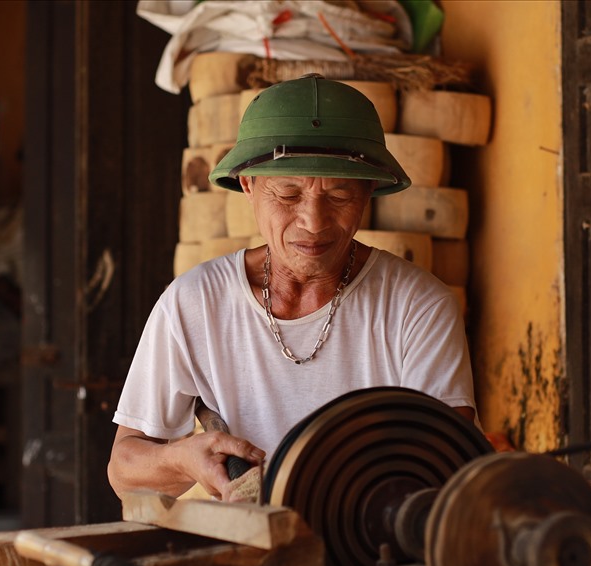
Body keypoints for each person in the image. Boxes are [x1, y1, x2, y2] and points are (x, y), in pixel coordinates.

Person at [107, 75, 476, 501]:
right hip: (251, 550)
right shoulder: (195, 304)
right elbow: (124, 469)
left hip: (378, 549)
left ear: (369, 191)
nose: (313, 223)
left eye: (338, 196)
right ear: (249, 185)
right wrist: (183, 459)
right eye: (287, 194)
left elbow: (447, 460)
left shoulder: (418, 307)